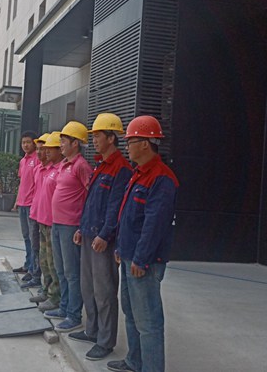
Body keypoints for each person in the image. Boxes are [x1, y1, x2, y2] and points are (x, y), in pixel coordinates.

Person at [107, 116, 179, 372]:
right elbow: (128, 216)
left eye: (131, 141)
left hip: (143, 262)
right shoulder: (139, 174)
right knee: (131, 313)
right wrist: (121, 248)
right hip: (129, 256)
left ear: (146, 144)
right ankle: (134, 361)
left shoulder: (161, 179)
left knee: (148, 322)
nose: (127, 146)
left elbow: (154, 225)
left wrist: (140, 258)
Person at [70, 113, 133, 361]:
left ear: (111, 137)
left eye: (97, 136)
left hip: (102, 240)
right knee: (88, 287)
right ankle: (92, 330)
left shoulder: (121, 169)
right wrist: (81, 227)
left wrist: (106, 235)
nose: (94, 140)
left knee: (104, 291)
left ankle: (105, 341)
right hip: (88, 234)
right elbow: (90, 202)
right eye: (93, 136)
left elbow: (115, 207)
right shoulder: (100, 165)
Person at [44, 121, 93, 333]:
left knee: (72, 272)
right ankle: (64, 307)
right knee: (61, 269)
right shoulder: (64, 165)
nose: (61, 144)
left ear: (75, 143)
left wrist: (83, 226)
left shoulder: (82, 166)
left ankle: (74, 315)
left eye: (64, 141)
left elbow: (91, 196)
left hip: (70, 226)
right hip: (57, 224)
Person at [33, 131, 63, 313]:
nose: (45, 151)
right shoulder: (46, 170)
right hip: (42, 220)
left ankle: (55, 296)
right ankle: (46, 290)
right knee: (44, 260)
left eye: (49, 148)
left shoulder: (58, 170)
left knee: (53, 262)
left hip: (53, 222)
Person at [24, 133, 50, 290]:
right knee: (35, 245)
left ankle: (45, 283)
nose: (39, 152)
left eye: (43, 149)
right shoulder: (38, 169)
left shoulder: (54, 170)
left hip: (47, 217)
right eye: (38, 149)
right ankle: (34, 274)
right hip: (35, 212)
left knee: (47, 253)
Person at [13, 131, 39, 279]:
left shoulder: (37, 159)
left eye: (28, 142)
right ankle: (27, 264)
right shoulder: (23, 161)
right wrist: (17, 200)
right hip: (22, 204)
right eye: (23, 142)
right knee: (25, 236)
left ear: (34, 143)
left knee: (32, 237)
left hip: (31, 204)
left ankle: (33, 269)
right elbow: (22, 182)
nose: (25, 145)